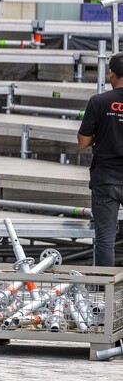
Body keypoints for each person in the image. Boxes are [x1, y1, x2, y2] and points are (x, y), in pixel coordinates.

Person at [77, 52, 123, 267]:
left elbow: (83, 142)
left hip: (105, 179)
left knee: (105, 239)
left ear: (111, 73)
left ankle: (104, 293)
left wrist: (103, 135)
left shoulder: (98, 101)